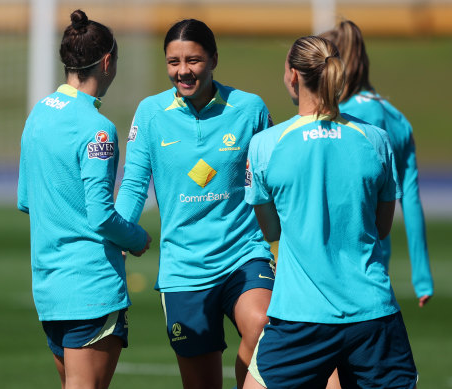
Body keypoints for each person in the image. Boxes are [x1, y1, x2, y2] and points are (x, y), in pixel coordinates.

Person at [243, 36, 418, 388]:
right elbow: (382, 228)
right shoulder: (376, 140)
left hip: (299, 317)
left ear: (293, 76)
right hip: (373, 315)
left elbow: (271, 232)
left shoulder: (266, 145)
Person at [115, 18, 275, 389]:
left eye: (194, 60)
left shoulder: (250, 109)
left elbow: (274, 180)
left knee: (264, 325)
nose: (183, 71)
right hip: (184, 268)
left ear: (214, 59)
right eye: (174, 62)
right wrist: (121, 236)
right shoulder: (151, 114)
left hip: (243, 253)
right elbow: (135, 185)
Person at [17, 10, 151, 389]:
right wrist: (137, 239)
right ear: (107, 62)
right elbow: (101, 216)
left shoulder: (37, 115)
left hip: (48, 286)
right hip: (91, 286)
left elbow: (27, 199)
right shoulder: (99, 130)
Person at [321, 20, 433, 307]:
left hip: (341, 260)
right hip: (377, 258)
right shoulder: (397, 117)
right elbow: (411, 200)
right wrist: (422, 277)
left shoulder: (345, 117)